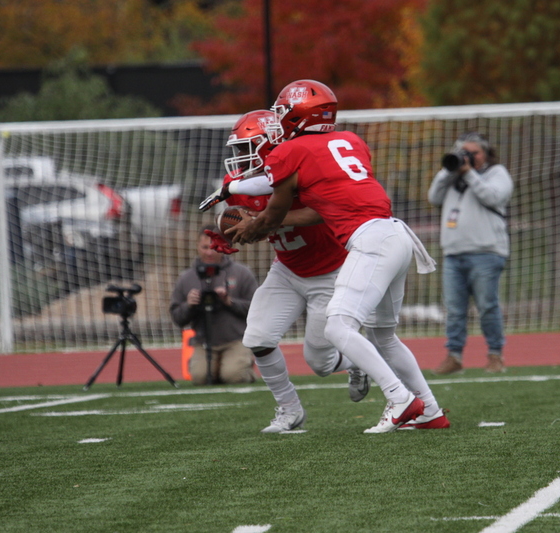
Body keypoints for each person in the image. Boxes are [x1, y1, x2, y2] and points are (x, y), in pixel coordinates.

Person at [226, 79, 449, 433]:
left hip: (364, 244)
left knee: (337, 327)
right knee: (384, 337)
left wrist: (252, 224)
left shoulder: (287, 154)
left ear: (295, 117)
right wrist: (236, 192)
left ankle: (401, 399)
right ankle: (431, 411)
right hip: (394, 232)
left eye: (283, 111)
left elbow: (275, 212)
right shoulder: (350, 141)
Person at [204, 109, 370, 433]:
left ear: (271, 144)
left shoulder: (302, 170)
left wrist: (264, 222)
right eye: (237, 149)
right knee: (257, 337)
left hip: (330, 272)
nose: (240, 157)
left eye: (246, 147)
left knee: (320, 362)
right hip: (287, 270)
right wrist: (227, 233)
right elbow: (238, 216)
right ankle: (290, 409)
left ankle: (357, 363)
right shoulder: (237, 184)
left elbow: (322, 212)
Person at [427, 132, 513, 374]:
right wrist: (449, 169)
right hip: (454, 252)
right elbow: (433, 197)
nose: (469, 157)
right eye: (464, 152)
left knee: (487, 306)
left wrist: (469, 173)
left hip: (486, 252)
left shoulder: (497, 174)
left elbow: (492, 196)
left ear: (486, 154)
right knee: (454, 309)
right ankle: (454, 356)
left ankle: (496, 355)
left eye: (474, 152)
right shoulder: (452, 176)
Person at [169, 225, 259, 385]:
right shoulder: (187, 278)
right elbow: (177, 318)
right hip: (203, 341)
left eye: (214, 247)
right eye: (205, 247)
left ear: (223, 246)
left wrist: (229, 301)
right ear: (197, 246)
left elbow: (257, 309)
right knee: (200, 378)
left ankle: (244, 370)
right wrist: (189, 305)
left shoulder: (241, 273)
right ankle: (217, 368)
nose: (209, 252)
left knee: (233, 377)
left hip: (236, 340)